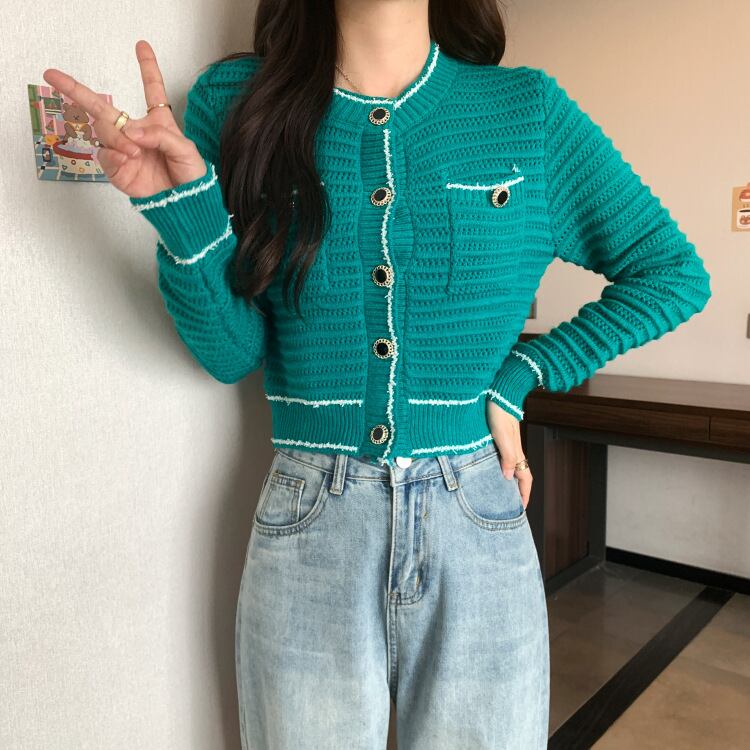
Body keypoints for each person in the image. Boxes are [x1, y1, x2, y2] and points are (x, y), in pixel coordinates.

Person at [43, 1, 712, 747]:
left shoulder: (526, 113)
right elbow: (230, 354)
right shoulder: (238, 104)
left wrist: (521, 375)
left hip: (477, 521)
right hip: (309, 523)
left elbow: (672, 274)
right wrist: (180, 211)